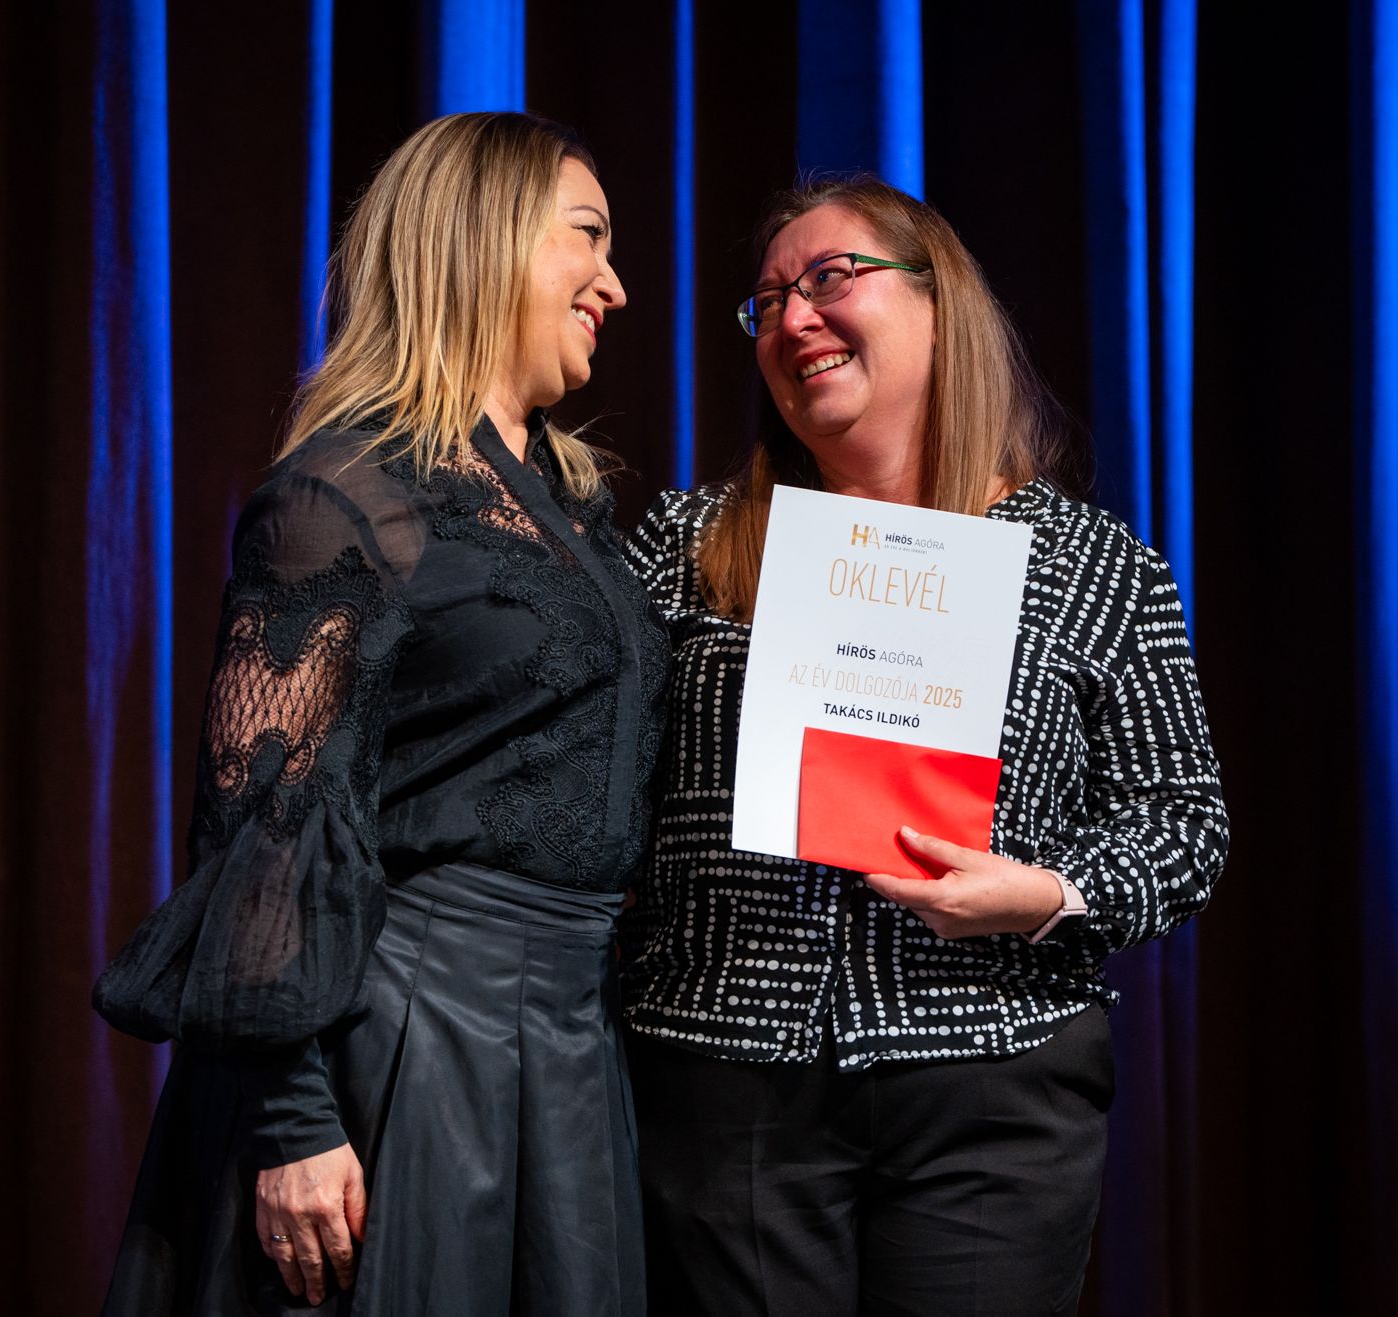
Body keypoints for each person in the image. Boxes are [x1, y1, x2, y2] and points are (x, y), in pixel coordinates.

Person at [620, 176, 1229, 1315]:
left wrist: (1043, 891)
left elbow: (1182, 824)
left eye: (830, 278)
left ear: (939, 301)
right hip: (724, 1076)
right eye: (768, 302)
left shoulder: (1093, 565)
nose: (793, 317)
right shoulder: (685, 545)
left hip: (990, 1080)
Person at [93, 112, 666, 1317]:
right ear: (481, 241)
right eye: (587, 236)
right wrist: (291, 1118)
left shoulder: (568, 506)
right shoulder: (348, 491)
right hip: (407, 1027)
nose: (614, 284)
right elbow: (261, 822)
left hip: (568, 1036)